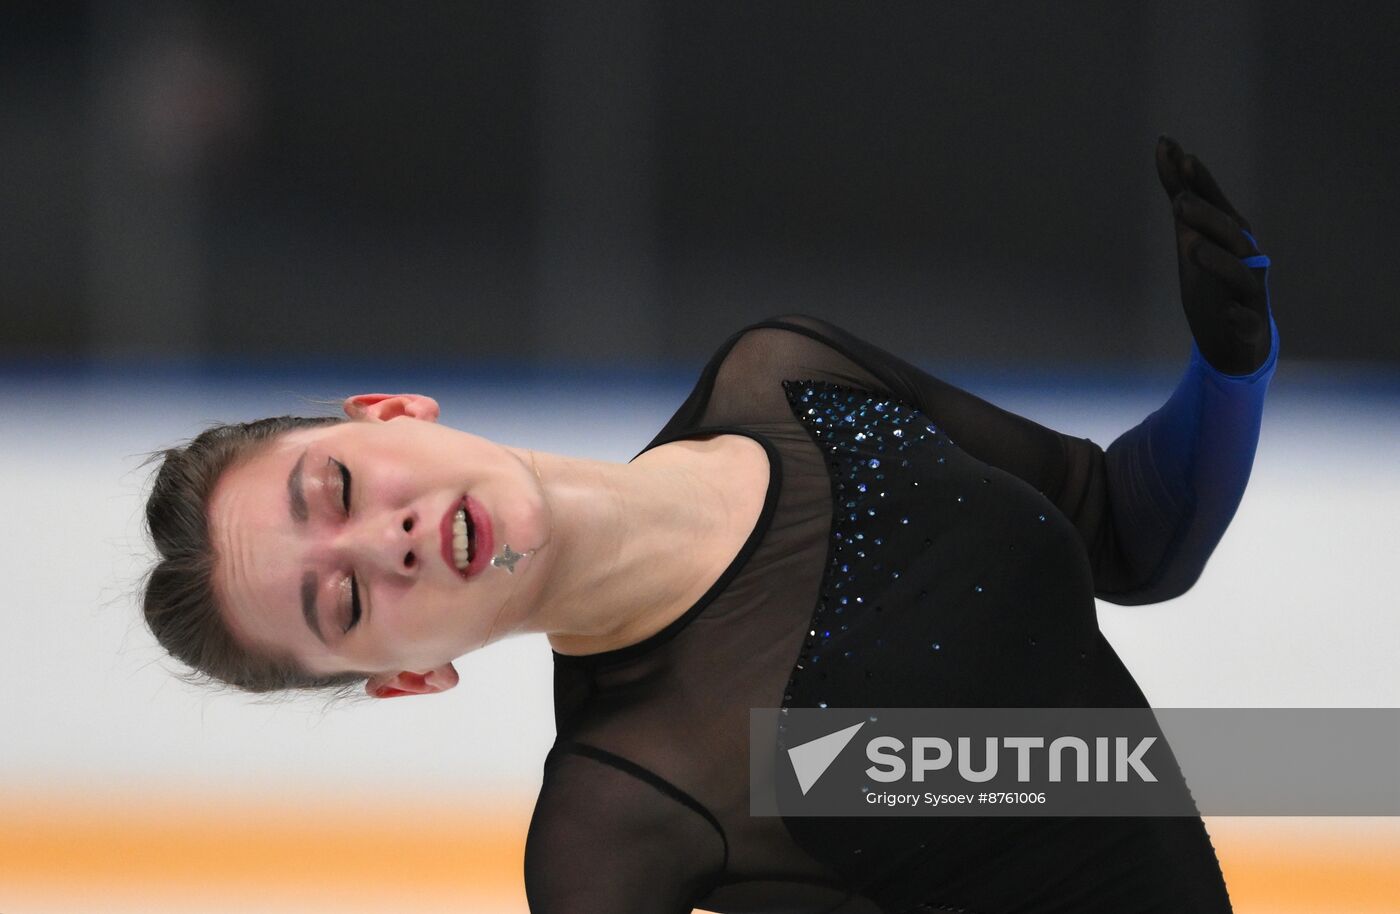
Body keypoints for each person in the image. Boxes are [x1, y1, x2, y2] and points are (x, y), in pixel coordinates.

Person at [141, 135, 1278, 912]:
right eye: (342, 601)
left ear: (391, 411)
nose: (379, 543)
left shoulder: (788, 377)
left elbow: (1124, 532)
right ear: (407, 677)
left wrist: (1231, 364)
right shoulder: (614, 825)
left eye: (336, 489)